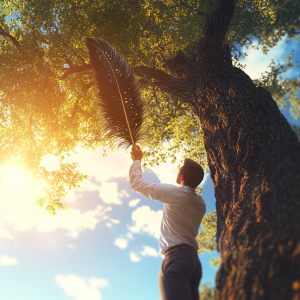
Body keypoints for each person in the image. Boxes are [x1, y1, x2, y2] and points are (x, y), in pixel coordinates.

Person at [129, 145, 206, 300]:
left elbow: (136, 184)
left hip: (176, 258)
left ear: (182, 177)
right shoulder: (201, 203)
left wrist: (137, 160)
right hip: (194, 262)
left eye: (180, 170)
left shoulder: (175, 193)